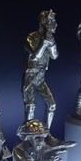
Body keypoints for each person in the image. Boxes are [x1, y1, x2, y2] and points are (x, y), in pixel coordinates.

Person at [22, 10, 58, 140]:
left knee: (51, 104)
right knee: (30, 106)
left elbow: (55, 56)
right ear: (44, 23)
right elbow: (35, 56)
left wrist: (51, 43)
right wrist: (44, 43)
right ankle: (28, 136)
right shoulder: (31, 37)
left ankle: (46, 134)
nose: (55, 24)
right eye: (52, 21)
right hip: (30, 76)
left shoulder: (50, 38)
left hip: (41, 77)